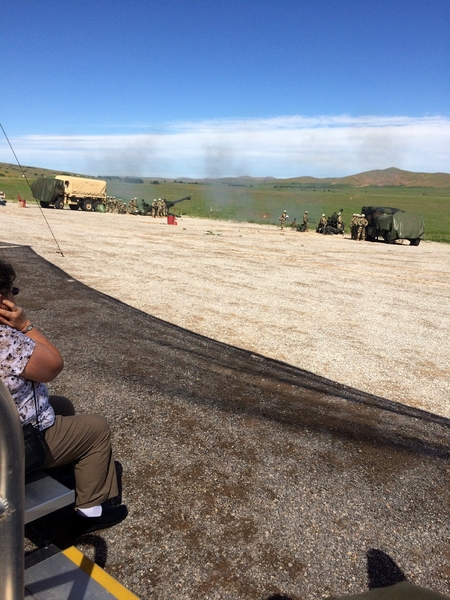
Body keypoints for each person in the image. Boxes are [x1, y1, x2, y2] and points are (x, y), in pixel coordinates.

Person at [0, 259, 128, 534]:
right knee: (96, 428)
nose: (14, 295)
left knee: (61, 405)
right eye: (12, 291)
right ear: (2, 300)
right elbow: (53, 364)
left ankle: (56, 472)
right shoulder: (6, 339)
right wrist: (25, 324)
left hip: (7, 426)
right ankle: (91, 509)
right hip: (10, 444)